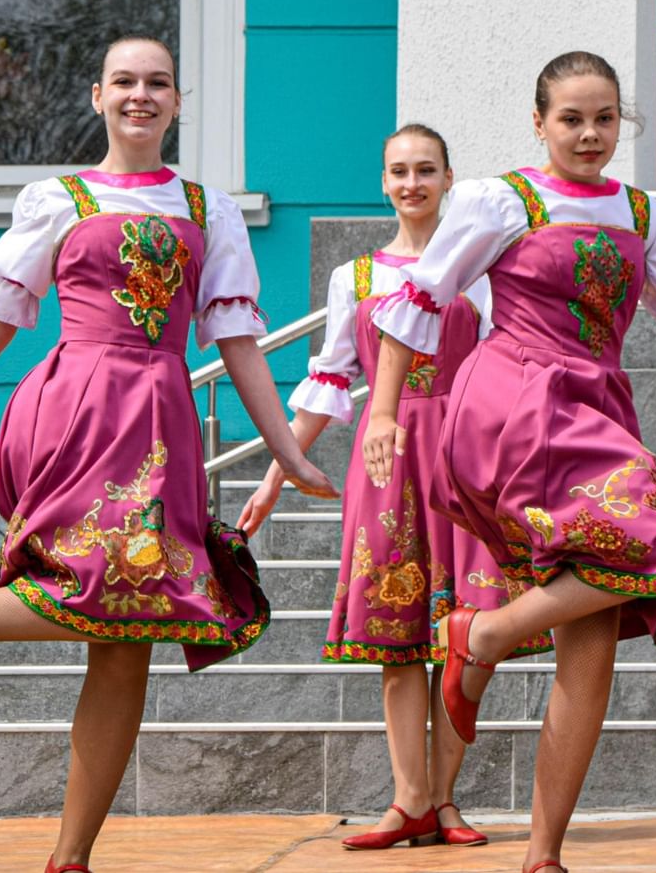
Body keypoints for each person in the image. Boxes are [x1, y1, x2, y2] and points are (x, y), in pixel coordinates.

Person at [0, 35, 336, 873]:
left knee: (129, 628)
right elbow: (1, 314)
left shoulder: (208, 208)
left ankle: (70, 857)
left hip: (163, 415)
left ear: (179, 101)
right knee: (104, 582)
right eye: (125, 82)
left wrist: (285, 450)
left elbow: (240, 338)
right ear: (97, 96)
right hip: (77, 405)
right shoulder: (58, 198)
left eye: (158, 83)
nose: (141, 95)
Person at [362, 50, 656, 873]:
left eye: (605, 118)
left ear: (624, 123)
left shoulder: (646, 216)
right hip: (513, 401)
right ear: (539, 123)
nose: (589, 133)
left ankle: (543, 852)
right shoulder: (499, 199)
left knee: (593, 648)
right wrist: (380, 411)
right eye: (572, 118)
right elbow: (419, 301)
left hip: (593, 410)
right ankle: (488, 631)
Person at [239, 123, 500, 850]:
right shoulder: (353, 277)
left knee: (465, 635)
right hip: (384, 464)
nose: (412, 182)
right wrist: (276, 475)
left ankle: (445, 803)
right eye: (399, 170)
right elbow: (327, 384)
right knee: (395, 636)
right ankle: (409, 798)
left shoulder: (481, 270)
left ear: (450, 177)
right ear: (383, 182)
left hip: (463, 456)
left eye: (426, 169)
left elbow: (509, 365)